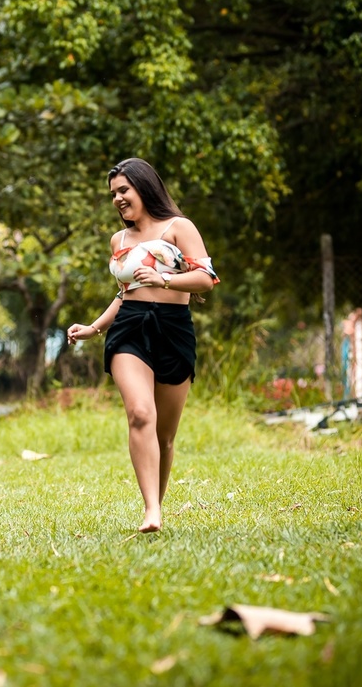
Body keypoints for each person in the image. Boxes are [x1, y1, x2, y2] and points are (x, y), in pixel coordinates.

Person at [66, 159, 218, 533]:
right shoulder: (119, 240)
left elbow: (206, 278)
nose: (118, 199)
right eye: (113, 194)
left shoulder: (178, 228)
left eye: (123, 190)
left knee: (165, 436)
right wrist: (95, 328)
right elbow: (125, 294)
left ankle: (157, 505)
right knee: (140, 414)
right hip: (130, 329)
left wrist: (165, 280)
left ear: (144, 187)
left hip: (173, 329)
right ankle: (151, 511)